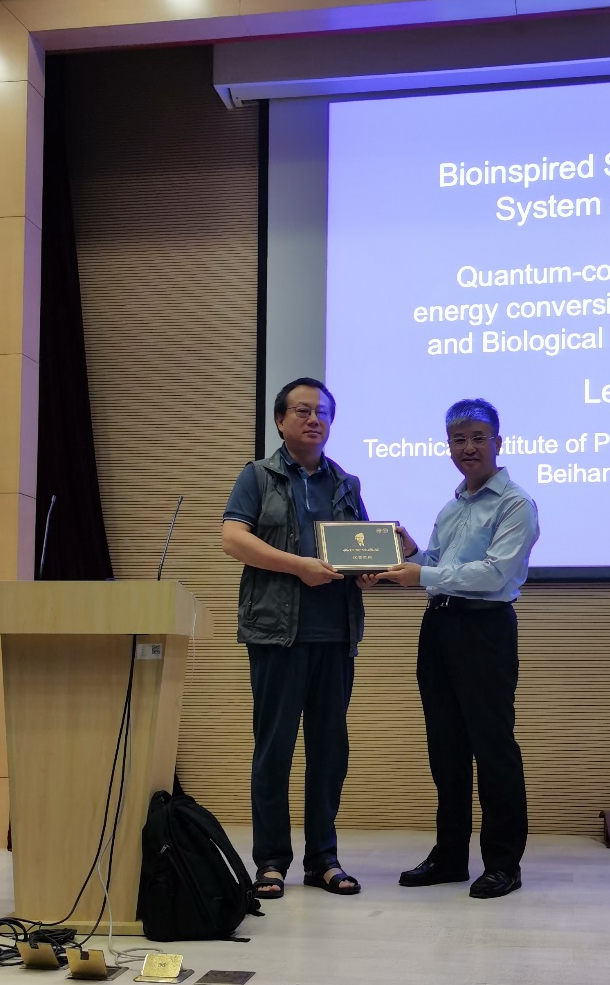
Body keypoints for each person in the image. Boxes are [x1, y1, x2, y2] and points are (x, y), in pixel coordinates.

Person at [367, 398, 540, 899]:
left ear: (497, 443)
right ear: (448, 447)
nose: (468, 448)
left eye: (478, 438)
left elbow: (494, 573)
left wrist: (422, 573)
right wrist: (408, 553)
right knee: (445, 748)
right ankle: (449, 857)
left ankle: (503, 863)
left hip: (484, 629)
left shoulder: (516, 504)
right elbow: (439, 563)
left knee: (492, 746)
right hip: (439, 628)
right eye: (458, 440)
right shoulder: (452, 507)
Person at [221, 378, 366, 899]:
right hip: (276, 634)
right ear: (280, 421)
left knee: (329, 752)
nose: (313, 419)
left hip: (335, 635)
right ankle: (271, 861)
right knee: (274, 750)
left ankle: (323, 859)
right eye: (302, 411)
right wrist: (299, 566)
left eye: (322, 412)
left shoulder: (346, 482)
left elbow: (362, 549)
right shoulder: (258, 476)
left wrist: (371, 569)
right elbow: (233, 538)